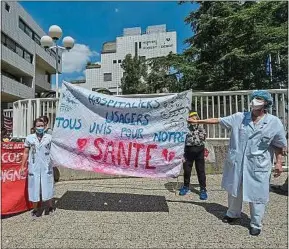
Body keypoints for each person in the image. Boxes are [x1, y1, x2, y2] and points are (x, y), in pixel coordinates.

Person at [188, 90, 287, 236]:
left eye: (259, 99)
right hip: (237, 163)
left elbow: (278, 144)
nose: (255, 101)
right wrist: (197, 121)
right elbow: (218, 120)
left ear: (265, 103)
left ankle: (256, 223)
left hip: (258, 165)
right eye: (254, 99)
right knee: (234, 190)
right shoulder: (239, 117)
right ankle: (233, 213)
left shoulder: (273, 122)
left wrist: (279, 163)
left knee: (257, 195)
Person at [20, 118, 54, 217]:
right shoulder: (29, 138)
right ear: (34, 127)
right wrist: (22, 166)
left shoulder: (49, 137)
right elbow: (26, 153)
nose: (40, 127)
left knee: (48, 185)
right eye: (38, 126)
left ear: (45, 126)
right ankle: (35, 209)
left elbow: (55, 151)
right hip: (34, 166)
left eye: (42, 126)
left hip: (46, 165)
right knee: (34, 187)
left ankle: (50, 206)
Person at [179, 111, 208, 200]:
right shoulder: (185, 127)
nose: (193, 118)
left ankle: (203, 189)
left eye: (195, 116)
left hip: (199, 150)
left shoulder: (201, 126)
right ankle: (186, 186)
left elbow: (203, 137)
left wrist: (197, 127)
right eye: (191, 116)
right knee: (187, 170)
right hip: (188, 151)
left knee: (201, 171)